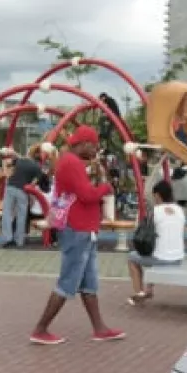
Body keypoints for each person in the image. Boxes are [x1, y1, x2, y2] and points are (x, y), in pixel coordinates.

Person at [30, 126, 124, 345]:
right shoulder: (72, 163)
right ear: (82, 144)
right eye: (93, 145)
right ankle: (41, 329)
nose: (96, 149)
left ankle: (99, 328)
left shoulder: (70, 162)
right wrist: (105, 188)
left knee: (88, 283)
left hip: (83, 229)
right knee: (68, 282)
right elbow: (86, 195)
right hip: (78, 229)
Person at [127, 181, 185, 305]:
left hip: (162, 259)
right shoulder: (179, 210)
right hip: (178, 257)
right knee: (157, 248)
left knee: (132, 258)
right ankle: (149, 289)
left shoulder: (155, 211)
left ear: (158, 195)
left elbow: (142, 233)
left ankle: (139, 294)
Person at [1, 146, 44, 248]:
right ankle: (19, 241)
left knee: (7, 212)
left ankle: (8, 239)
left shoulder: (21, 160)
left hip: (11, 186)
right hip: (22, 190)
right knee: (22, 215)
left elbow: (8, 164)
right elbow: (33, 183)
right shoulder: (37, 168)